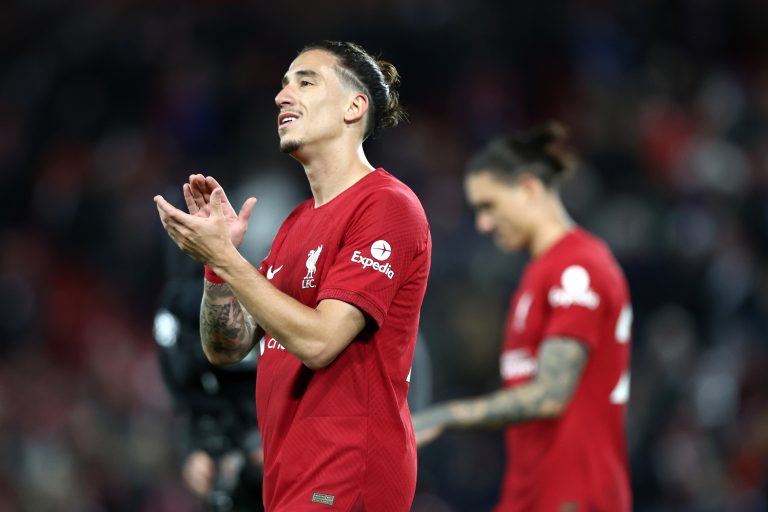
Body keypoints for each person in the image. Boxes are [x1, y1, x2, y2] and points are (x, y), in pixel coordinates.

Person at [154, 41, 431, 511]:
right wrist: (216, 266)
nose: (283, 96)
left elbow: (321, 342)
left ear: (353, 106)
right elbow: (225, 347)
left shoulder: (386, 205)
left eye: (305, 82)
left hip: (348, 477)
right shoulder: (294, 225)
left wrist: (228, 260)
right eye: (283, 85)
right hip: (290, 480)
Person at [412, 123, 632, 511]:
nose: (483, 224)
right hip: (531, 493)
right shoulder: (539, 272)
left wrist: (445, 415)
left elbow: (550, 395)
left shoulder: (578, 267)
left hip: (576, 496)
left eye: (489, 206)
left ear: (529, 188)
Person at [153, 223, 264, 512]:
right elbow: (188, 400)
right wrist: (193, 450)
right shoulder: (172, 312)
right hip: (220, 443)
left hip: (266, 431)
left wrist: (264, 437)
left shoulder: (257, 293)